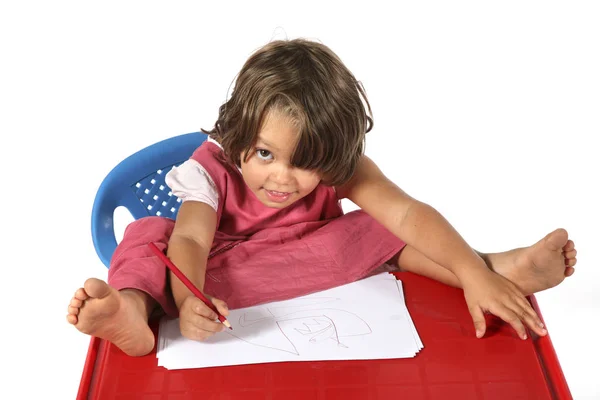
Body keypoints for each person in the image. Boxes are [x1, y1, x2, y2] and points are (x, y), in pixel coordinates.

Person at [66, 38, 577, 357]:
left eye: (304, 161)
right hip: (222, 282)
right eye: (265, 154)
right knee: (148, 235)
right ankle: (131, 314)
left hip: (312, 267)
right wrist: (189, 300)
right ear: (237, 133)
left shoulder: (339, 166)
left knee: (377, 226)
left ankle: (492, 269)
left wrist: (470, 275)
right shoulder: (208, 168)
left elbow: (407, 213)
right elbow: (193, 242)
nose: (282, 178)